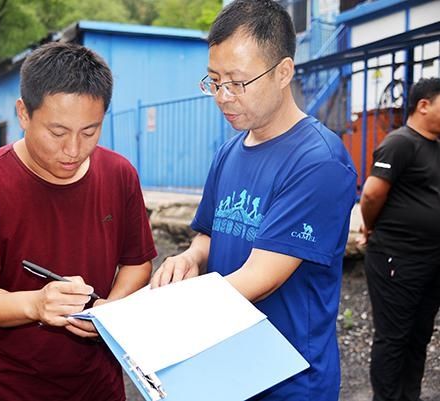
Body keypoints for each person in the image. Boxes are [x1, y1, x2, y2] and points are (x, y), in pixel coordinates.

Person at [150, 1, 357, 400]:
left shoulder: (318, 162)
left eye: (238, 82)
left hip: (290, 381)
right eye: (214, 81)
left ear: (283, 72)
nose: (223, 96)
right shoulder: (230, 152)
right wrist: (189, 259)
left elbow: (260, 278)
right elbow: (208, 236)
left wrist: (155, 322)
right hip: (227, 364)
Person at [0, 42, 157, 401]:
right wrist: (36, 304)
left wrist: (110, 310)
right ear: (23, 114)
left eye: (90, 132)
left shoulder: (119, 175)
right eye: (57, 133)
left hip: (96, 385)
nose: (73, 149)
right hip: (3, 387)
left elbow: (137, 263)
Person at [359, 77, 440, 401]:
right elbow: (371, 194)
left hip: (431, 260)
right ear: (424, 105)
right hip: (397, 258)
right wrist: (370, 226)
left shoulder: (435, 147)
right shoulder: (400, 142)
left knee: (419, 336)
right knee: (393, 338)